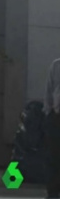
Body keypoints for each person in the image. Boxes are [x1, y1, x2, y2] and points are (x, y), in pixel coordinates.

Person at [43, 59, 60, 199]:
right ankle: (53, 193)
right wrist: (49, 112)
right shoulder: (56, 65)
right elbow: (49, 90)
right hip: (56, 117)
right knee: (53, 157)